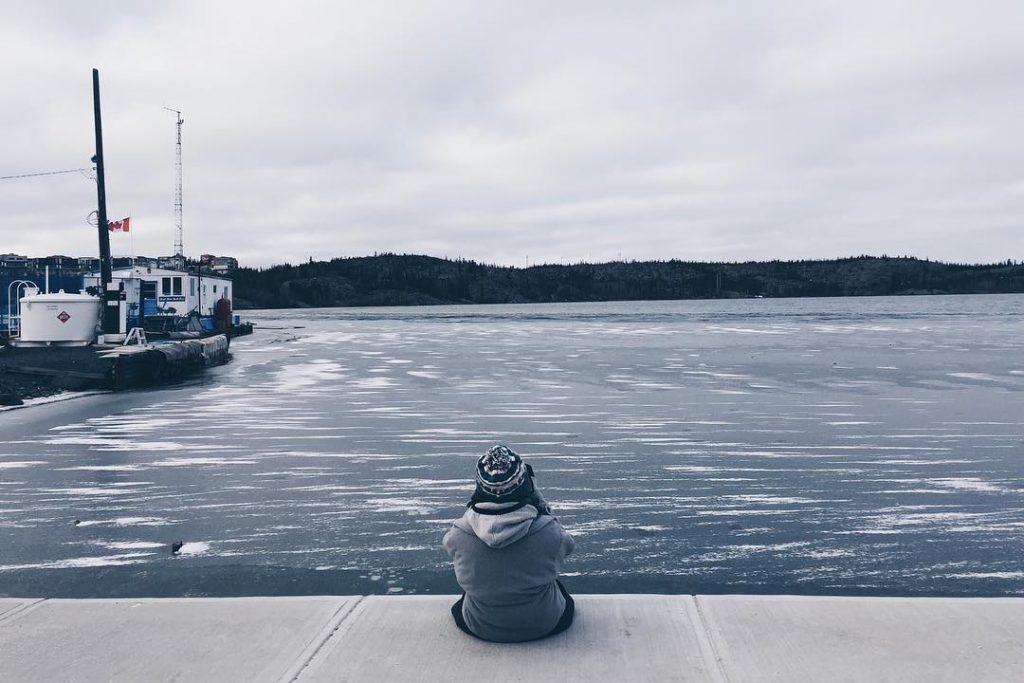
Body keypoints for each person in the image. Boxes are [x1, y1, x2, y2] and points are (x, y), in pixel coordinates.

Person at [442, 444, 576, 642]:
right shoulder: (549, 531)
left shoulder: (459, 533)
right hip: (544, 624)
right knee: (556, 586)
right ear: (526, 484)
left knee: (474, 587)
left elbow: (449, 546)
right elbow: (568, 546)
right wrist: (540, 503)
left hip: (479, 626)